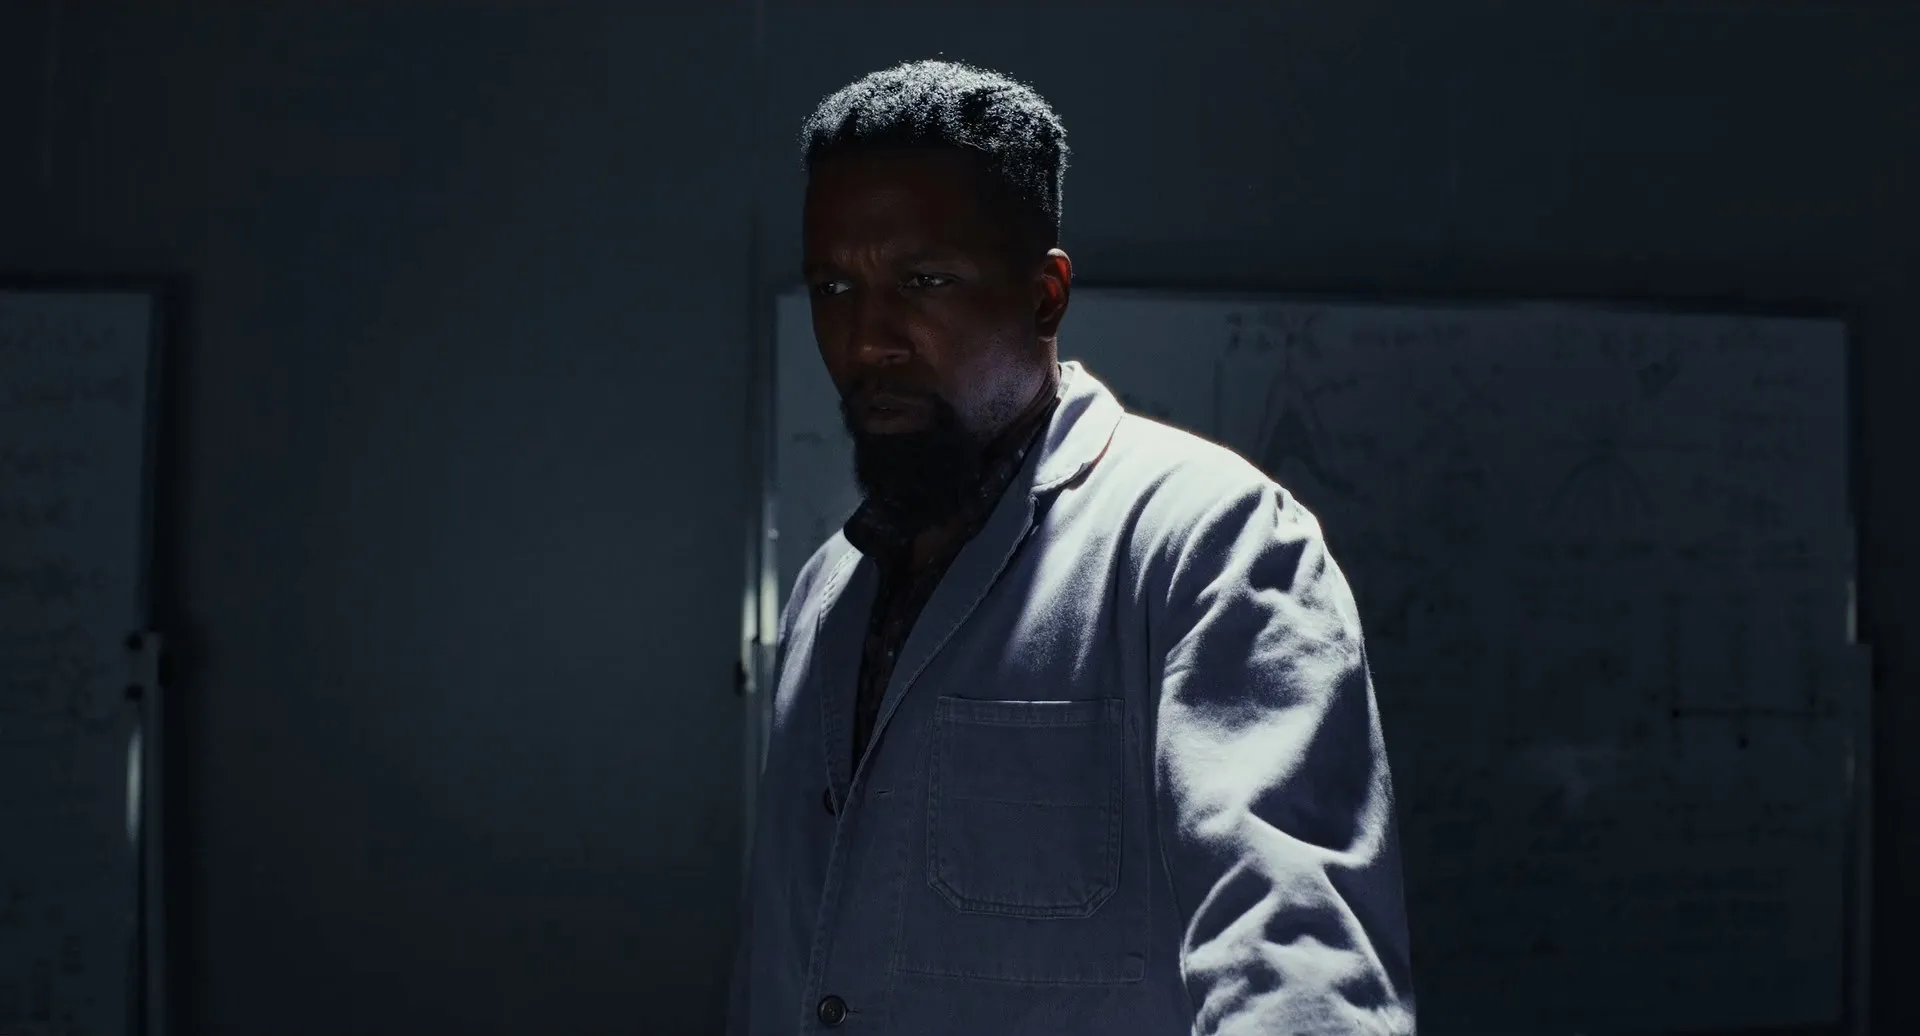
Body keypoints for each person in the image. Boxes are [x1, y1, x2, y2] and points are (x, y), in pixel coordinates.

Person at [728, 59, 1415, 1035]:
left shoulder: (1212, 542)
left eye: (923, 281)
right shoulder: (827, 590)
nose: (867, 337)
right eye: (833, 286)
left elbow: (1299, 976)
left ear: (1045, 296)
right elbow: (786, 966)